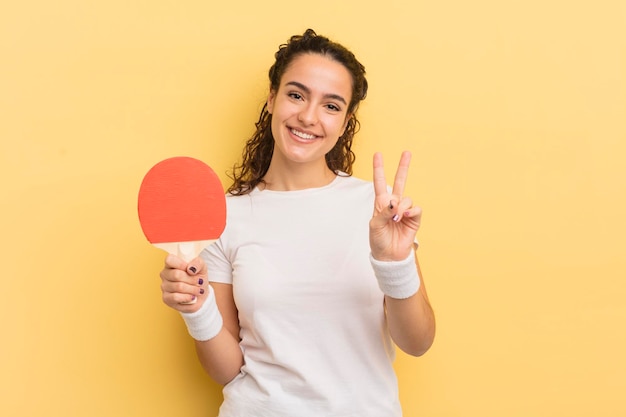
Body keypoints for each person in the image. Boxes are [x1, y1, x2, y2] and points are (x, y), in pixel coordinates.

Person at [159, 29, 436, 417]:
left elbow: (417, 342)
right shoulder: (225, 215)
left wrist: (395, 264)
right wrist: (197, 307)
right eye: (296, 94)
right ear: (272, 98)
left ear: (345, 122)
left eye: (331, 105)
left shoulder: (376, 209)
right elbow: (227, 371)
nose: (308, 116)